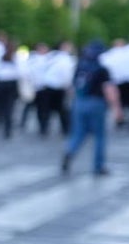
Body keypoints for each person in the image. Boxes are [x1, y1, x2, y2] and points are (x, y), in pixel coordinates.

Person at [62, 40, 123, 176]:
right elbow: (109, 90)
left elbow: (72, 87)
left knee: (79, 132)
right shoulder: (102, 69)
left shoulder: (80, 66)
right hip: (96, 103)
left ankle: (70, 151)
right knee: (100, 136)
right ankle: (98, 166)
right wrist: (117, 109)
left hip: (79, 102)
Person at [40, 39, 75, 137]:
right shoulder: (66, 59)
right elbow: (66, 74)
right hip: (59, 87)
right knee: (62, 110)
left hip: (47, 86)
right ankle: (65, 129)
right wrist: (69, 86)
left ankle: (44, 128)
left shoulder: (51, 56)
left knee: (46, 110)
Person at [0, 40, 21, 139]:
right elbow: (22, 72)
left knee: (4, 106)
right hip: (12, 84)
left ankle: (4, 123)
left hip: (2, 84)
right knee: (10, 107)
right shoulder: (16, 58)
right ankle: (8, 127)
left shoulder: (1, 57)